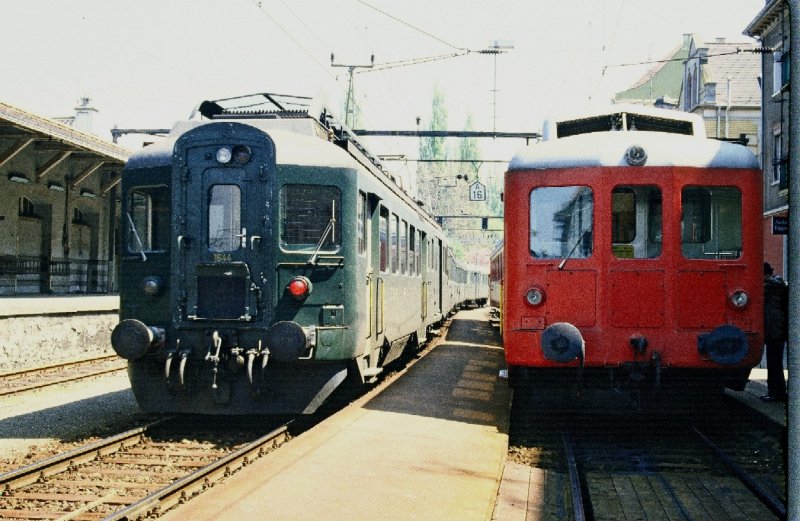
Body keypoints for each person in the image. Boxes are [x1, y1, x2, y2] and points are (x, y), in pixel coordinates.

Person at [762, 262, 788, 402]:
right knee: (776, 363)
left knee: (774, 364)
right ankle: (778, 392)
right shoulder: (778, 284)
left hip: (774, 331)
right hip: (779, 330)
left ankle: (774, 393)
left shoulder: (770, 287)